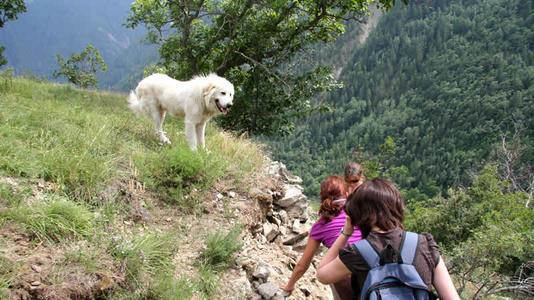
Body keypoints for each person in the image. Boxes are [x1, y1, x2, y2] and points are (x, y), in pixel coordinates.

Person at [316, 179, 460, 300]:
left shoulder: (359, 252)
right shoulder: (424, 244)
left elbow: (322, 275)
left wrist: (346, 233)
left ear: (357, 216)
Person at [281, 175, 362, 299]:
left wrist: (289, 285)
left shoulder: (319, 226)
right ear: (346, 193)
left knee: (333, 273)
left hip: (342, 271)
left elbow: (303, 264)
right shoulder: (359, 212)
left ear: (322, 198)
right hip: (369, 262)